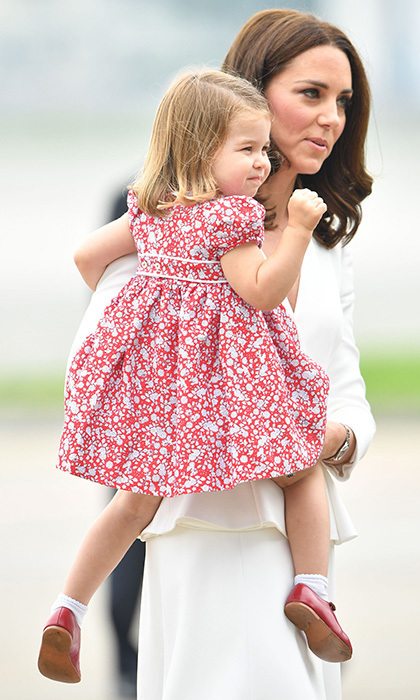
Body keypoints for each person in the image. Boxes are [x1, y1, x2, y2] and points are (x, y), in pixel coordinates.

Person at [37, 67, 349, 686]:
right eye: (248, 149)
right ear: (200, 150)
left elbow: (85, 259)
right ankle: (312, 589)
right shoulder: (234, 219)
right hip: (227, 387)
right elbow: (263, 292)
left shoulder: (153, 212)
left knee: (133, 501)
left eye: (265, 149)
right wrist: (300, 233)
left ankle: (68, 607)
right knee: (300, 468)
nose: (262, 163)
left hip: (163, 389)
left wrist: (149, 297)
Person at [134, 10, 376, 700]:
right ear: (248, 93)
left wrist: (335, 437)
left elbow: (348, 389)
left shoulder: (327, 246)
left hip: (301, 552)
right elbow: (116, 350)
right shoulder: (173, 227)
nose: (331, 118)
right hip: (210, 525)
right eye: (311, 94)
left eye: (344, 102)